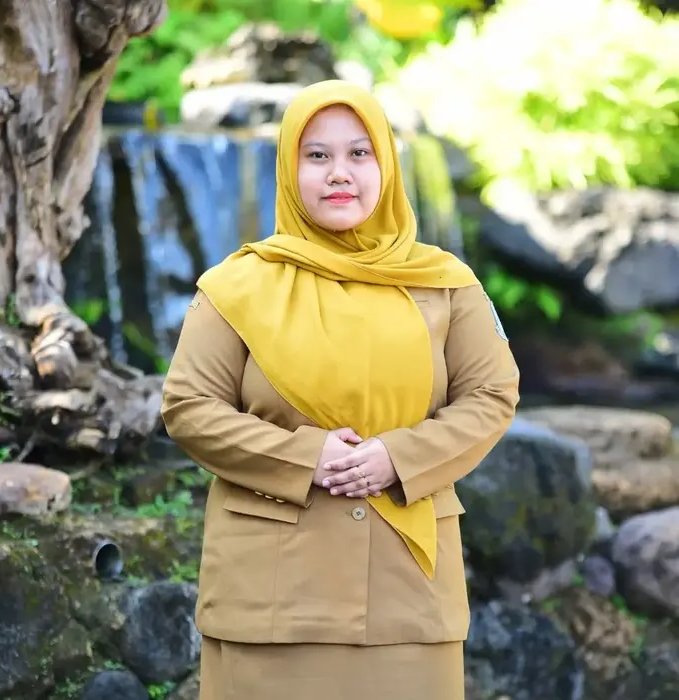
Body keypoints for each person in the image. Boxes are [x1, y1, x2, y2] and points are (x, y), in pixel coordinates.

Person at [161, 79, 519, 700]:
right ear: (288, 168)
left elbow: (491, 395)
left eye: (359, 153)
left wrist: (399, 457)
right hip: (271, 598)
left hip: (407, 596)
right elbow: (190, 407)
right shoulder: (234, 287)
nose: (339, 173)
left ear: (386, 165)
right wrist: (307, 457)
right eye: (317, 155)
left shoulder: (445, 283)